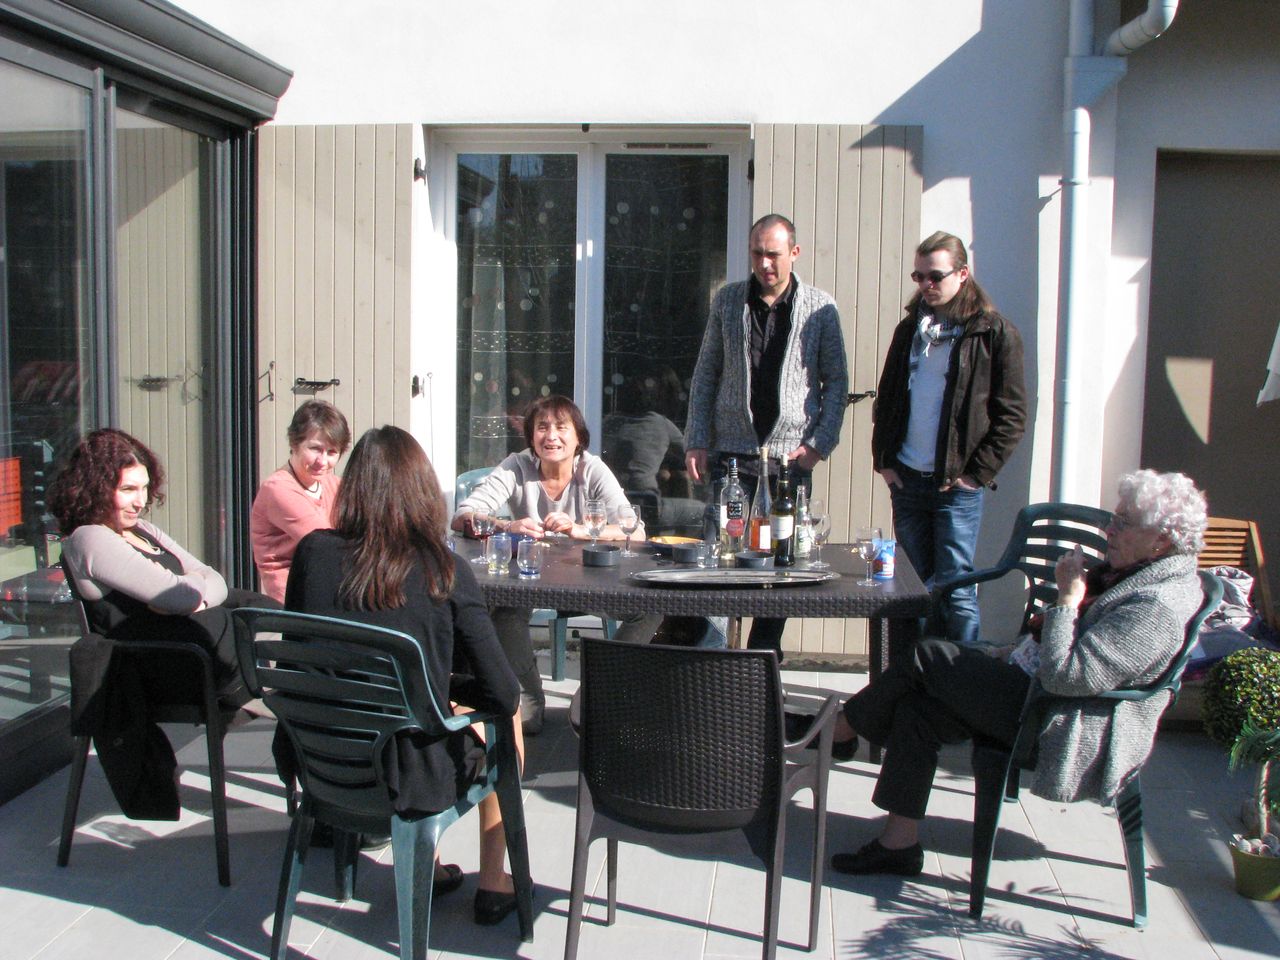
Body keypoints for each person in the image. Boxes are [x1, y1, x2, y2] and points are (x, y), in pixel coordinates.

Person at [827, 470, 1207, 878]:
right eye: (1114, 518)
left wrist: (1067, 600)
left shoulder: (1155, 607)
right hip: (1035, 690)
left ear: (1161, 540)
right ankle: (898, 845)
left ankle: (841, 729)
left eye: (1124, 522)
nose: (1110, 530)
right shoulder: (1133, 574)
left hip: (1056, 720)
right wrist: (1013, 650)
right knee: (918, 707)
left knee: (928, 656)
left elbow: (1066, 678)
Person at [286, 425, 525, 926]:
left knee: (415, 708)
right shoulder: (444, 570)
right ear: (422, 493)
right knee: (507, 719)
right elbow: (502, 693)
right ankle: (494, 881)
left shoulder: (312, 554)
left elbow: (299, 652)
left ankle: (430, 869)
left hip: (321, 757)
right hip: (408, 774)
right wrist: (446, 688)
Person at [684, 212, 849, 652]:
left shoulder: (820, 308)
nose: (764, 264)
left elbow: (836, 383)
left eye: (773, 254)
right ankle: (712, 660)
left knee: (783, 563)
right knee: (721, 558)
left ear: (794, 253)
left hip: (789, 460)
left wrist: (818, 445)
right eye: (757, 253)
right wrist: (696, 438)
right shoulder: (729, 301)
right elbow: (706, 373)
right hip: (733, 455)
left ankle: (761, 661)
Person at [452, 394, 660, 733]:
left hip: (588, 578)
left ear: (579, 438)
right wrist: (508, 525)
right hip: (528, 576)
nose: (551, 436)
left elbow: (635, 530)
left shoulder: (592, 469)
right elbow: (463, 516)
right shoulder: (516, 466)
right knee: (503, 611)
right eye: (542, 427)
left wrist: (581, 530)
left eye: (561, 428)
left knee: (649, 609)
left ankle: (596, 688)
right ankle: (529, 699)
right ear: (531, 436)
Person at [872, 231, 1027, 647]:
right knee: (910, 590)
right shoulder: (911, 329)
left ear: (962, 274)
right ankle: (912, 675)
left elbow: (1012, 417)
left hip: (955, 486)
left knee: (956, 589)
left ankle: (960, 674)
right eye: (918, 276)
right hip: (908, 479)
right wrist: (884, 461)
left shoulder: (993, 333)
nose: (926, 285)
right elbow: (888, 398)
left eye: (935, 276)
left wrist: (975, 475)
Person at [51, 428, 274, 704]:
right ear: (96, 489)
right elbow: (179, 596)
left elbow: (215, 580)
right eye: (128, 490)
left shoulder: (143, 529)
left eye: (144, 488)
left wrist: (196, 600)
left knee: (260, 606)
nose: (140, 501)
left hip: (196, 647)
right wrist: (190, 592)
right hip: (165, 663)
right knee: (237, 623)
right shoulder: (91, 538)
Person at [250, 400, 351, 602]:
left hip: (330, 590)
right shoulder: (278, 488)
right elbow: (326, 545)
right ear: (294, 444)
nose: (322, 461)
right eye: (315, 449)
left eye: (332, 452)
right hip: (295, 602)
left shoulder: (333, 484)